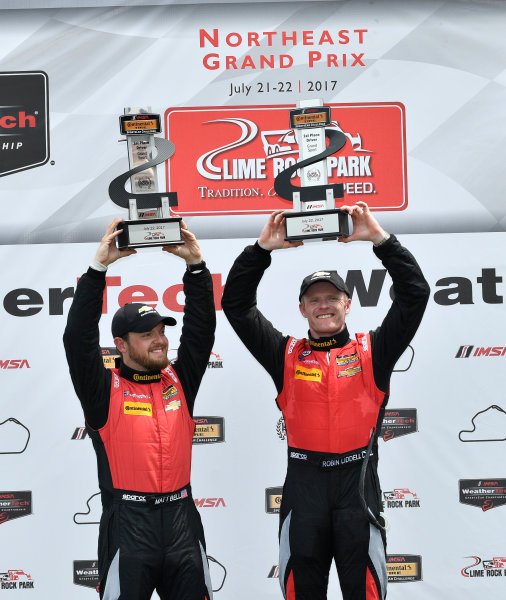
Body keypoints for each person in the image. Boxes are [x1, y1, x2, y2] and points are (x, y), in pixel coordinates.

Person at [221, 201, 430, 600]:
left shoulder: (374, 351)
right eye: (314, 299)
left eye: (332, 297)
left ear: (348, 304)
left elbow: (415, 295)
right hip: (304, 492)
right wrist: (260, 251)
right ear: (302, 309)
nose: (324, 305)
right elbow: (235, 305)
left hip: (358, 491)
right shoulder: (284, 354)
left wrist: (381, 241)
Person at [63, 218, 216, 600]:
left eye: (162, 332)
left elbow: (201, 330)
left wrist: (195, 267)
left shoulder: (180, 381)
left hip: (182, 521)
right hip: (128, 527)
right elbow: (76, 339)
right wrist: (99, 269)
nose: (160, 341)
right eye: (147, 335)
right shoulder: (102, 390)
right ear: (121, 344)